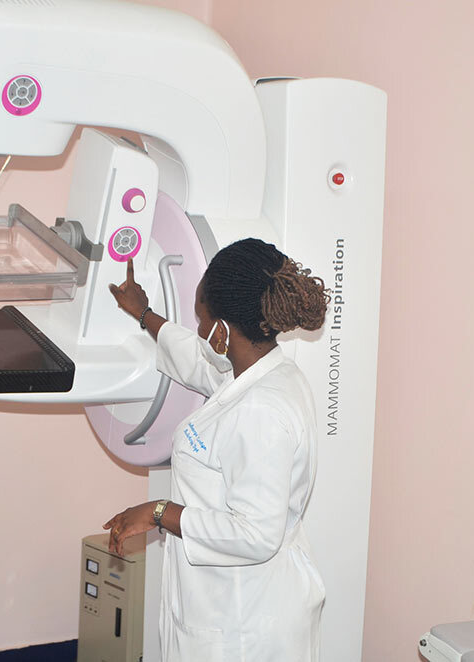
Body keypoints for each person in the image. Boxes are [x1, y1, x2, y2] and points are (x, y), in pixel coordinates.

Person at [104, 237, 330, 662]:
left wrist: (158, 513)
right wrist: (144, 314)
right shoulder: (258, 372)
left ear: (223, 331)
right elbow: (198, 360)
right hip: (227, 605)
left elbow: (256, 534)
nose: (198, 328)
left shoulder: (262, 409)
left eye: (201, 318)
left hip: (245, 626)